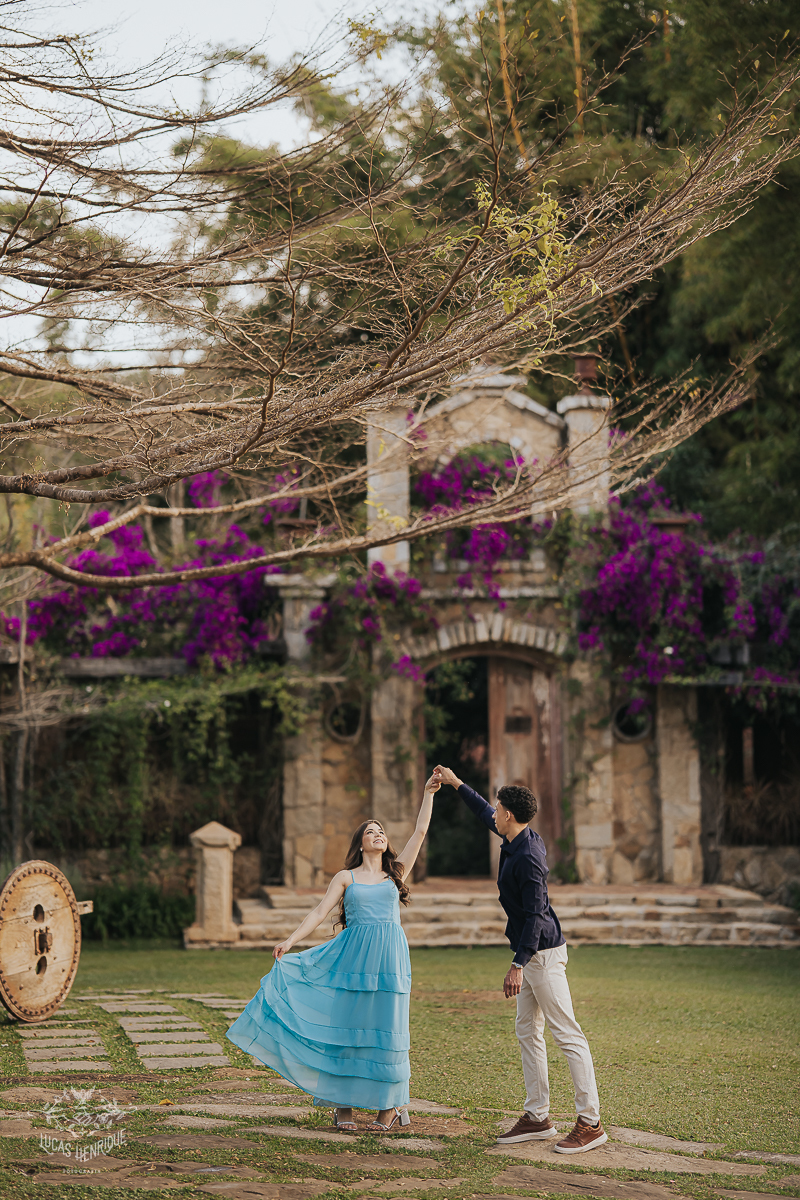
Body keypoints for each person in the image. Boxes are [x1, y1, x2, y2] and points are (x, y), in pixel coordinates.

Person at [226, 774, 440, 1133]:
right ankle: (342, 1105)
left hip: (390, 960)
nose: (378, 834)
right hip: (352, 959)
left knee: (387, 1029)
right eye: (370, 831)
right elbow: (318, 913)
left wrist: (427, 794)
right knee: (348, 1029)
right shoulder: (346, 877)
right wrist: (292, 940)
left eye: (381, 830)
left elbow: (419, 833)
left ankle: (389, 1107)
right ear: (360, 843)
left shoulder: (395, 874)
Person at [432, 765, 607, 1154]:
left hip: (541, 956)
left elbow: (536, 914)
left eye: (498, 809)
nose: (493, 813)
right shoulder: (517, 835)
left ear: (509, 815)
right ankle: (537, 1116)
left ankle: (591, 1122)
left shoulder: (527, 855)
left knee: (567, 1034)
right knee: (528, 1030)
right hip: (531, 954)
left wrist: (518, 964)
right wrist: (456, 782)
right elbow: (481, 811)